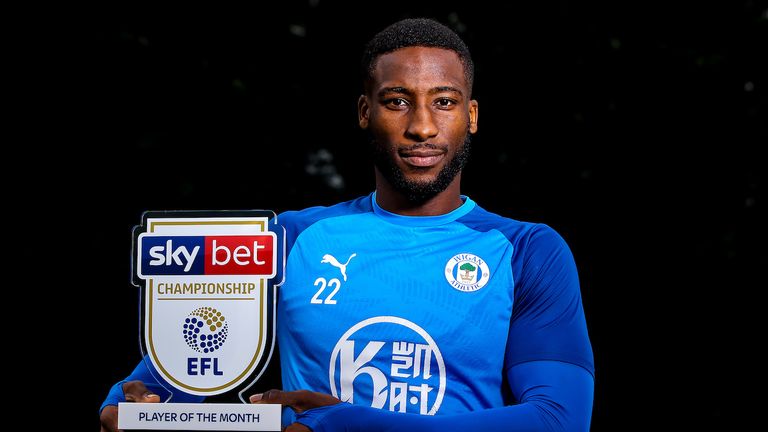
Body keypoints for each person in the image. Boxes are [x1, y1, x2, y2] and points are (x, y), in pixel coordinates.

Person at [100, 18, 594, 431]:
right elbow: (177, 376)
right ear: (365, 111)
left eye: (443, 101)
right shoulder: (289, 239)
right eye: (397, 100)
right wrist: (132, 402)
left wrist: (349, 423)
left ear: (471, 115)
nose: (421, 126)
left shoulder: (527, 249)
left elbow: (559, 419)